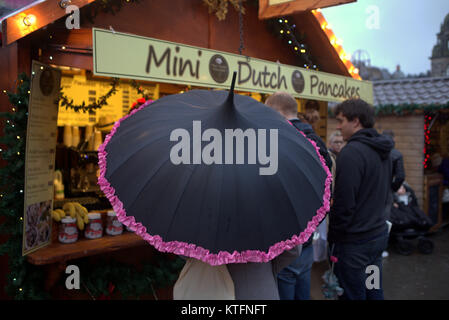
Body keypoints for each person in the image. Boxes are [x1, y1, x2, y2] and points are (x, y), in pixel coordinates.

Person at [265, 92, 331, 300]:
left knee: (285, 287)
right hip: (308, 235)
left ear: (276, 112)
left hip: (282, 236)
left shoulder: (279, 140)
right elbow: (327, 190)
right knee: (303, 285)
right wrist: (312, 224)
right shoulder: (317, 142)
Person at [328, 98, 393, 300]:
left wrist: (333, 237)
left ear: (355, 121)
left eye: (341, 120)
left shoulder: (351, 153)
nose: (338, 127)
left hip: (355, 245)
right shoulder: (383, 150)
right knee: (372, 289)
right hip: (377, 238)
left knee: (353, 294)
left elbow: (344, 204)